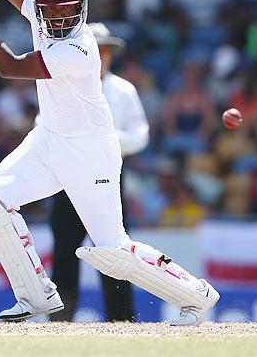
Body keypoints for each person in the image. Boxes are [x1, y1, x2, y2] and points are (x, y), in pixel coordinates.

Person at [0, 0, 219, 325]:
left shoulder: (79, 48)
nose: (60, 20)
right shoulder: (42, 15)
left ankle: (196, 295)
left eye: (67, 11)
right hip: (47, 140)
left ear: (81, 7)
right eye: (53, 12)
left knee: (113, 248)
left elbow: (9, 66)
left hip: (90, 152)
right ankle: (36, 294)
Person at [50, 22, 149, 322]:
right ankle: (59, 323)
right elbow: (43, 129)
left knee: (114, 253)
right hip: (69, 183)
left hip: (108, 182)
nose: (100, 57)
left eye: (104, 51)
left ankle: (122, 322)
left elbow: (141, 133)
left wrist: (107, 141)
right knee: (65, 253)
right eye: (94, 50)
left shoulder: (123, 90)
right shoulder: (61, 88)